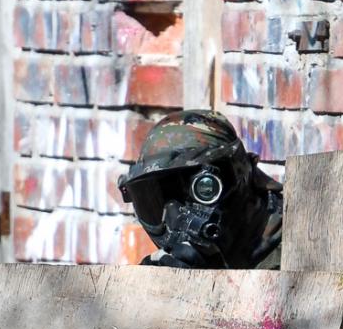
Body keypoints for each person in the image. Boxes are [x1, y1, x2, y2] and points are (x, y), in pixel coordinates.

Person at [118, 110, 283, 269]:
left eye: (204, 190)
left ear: (237, 176)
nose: (173, 219)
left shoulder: (290, 245)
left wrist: (216, 280)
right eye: (157, 201)